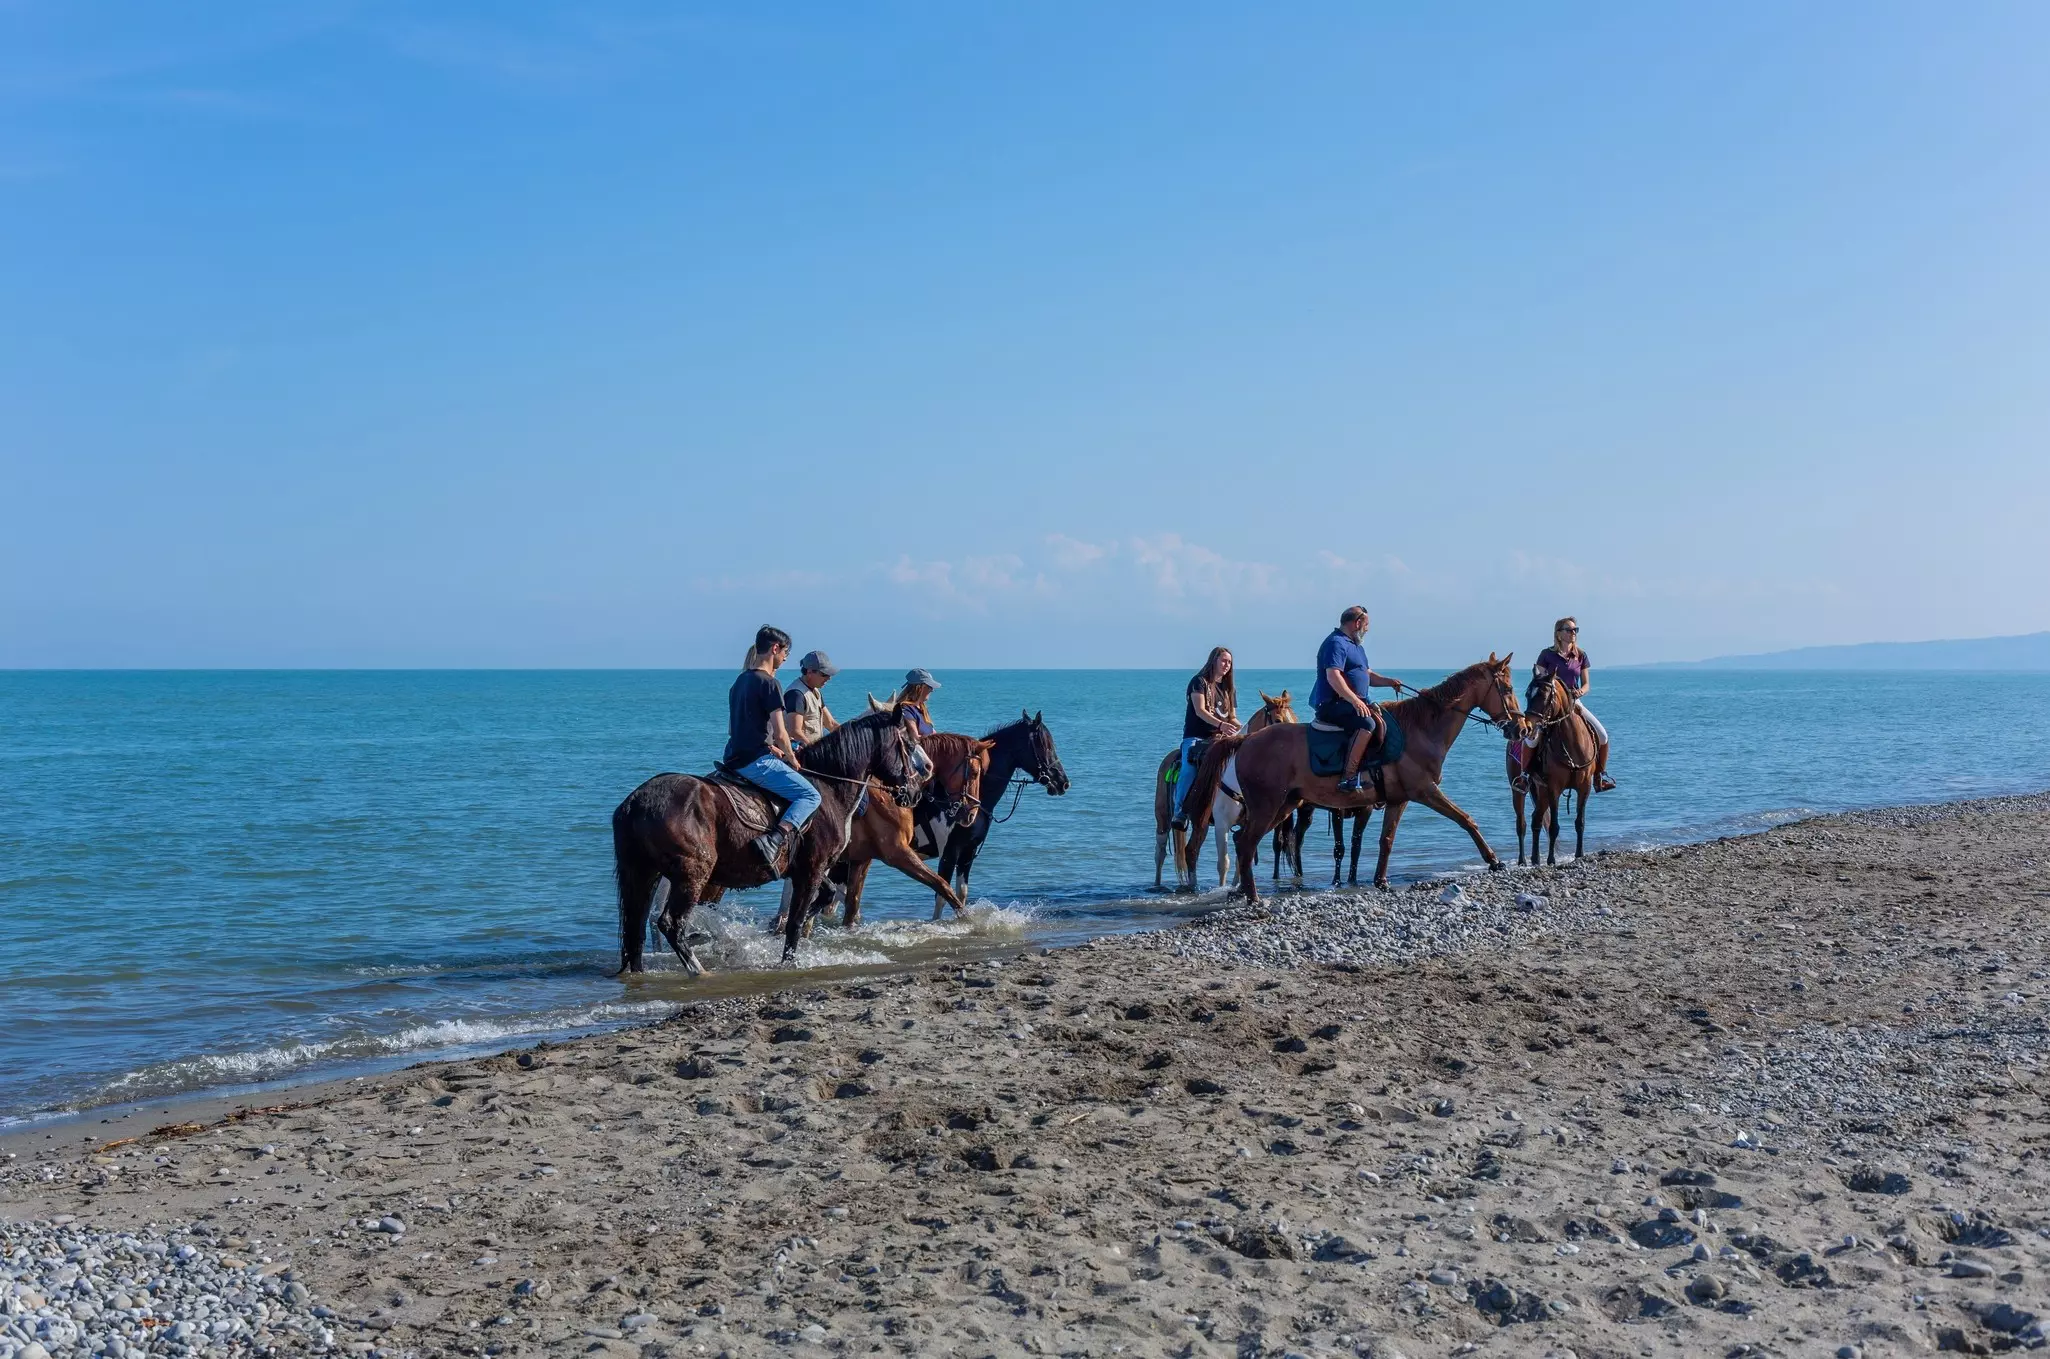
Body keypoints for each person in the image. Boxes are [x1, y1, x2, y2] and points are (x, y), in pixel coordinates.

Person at [723, 625, 821, 867]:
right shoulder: (770, 684)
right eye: (785, 651)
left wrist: (770, 748)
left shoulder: (740, 680)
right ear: (775, 648)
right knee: (810, 795)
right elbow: (781, 732)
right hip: (755, 763)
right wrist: (791, 758)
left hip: (732, 757)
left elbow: (738, 729)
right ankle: (774, 840)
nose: (786, 657)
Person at [1309, 605, 1403, 794]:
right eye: (1366, 625)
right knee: (1367, 723)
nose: (1367, 630)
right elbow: (1333, 677)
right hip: (1333, 704)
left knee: (1384, 718)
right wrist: (1355, 701)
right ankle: (1349, 777)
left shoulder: (1355, 646)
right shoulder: (1335, 643)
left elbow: (1367, 675)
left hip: (1349, 703)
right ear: (1357, 623)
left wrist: (1389, 682)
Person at [1534, 616, 1615, 791]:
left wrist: (1580, 691)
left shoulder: (1581, 655)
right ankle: (1525, 776)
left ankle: (1599, 777)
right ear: (1558, 633)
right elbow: (1539, 680)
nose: (1573, 633)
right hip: (1551, 704)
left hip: (1573, 702)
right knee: (1532, 739)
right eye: (1569, 630)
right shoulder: (1546, 654)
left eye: (1575, 630)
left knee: (1603, 736)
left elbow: (1586, 684)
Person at [1170, 646, 1240, 829]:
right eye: (1224, 660)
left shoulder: (1229, 689)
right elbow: (1200, 711)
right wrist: (1221, 725)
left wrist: (1243, 728)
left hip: (1221, 738)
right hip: (1196, 738)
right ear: (1214, 660)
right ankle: (1180, 811)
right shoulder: (1199, 682)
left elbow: (1232, 716)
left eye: (1230, 662)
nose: (1227, 665)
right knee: (1188, 769)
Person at [782, 649, 840, 748]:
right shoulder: (796, 694)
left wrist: (852, 736)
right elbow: (795, 732)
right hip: (801, 755)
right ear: (809, 672)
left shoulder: (815, 691)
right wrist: (817, 751)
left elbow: (830, 723)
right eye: (824, 674)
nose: (828, 678)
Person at [886, 668, 942, 736]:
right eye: (930, 687)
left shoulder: (922, 708)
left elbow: (933, 733)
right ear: (920, 688)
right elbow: (915, 738)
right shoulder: (906, 710)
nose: (932, 690)